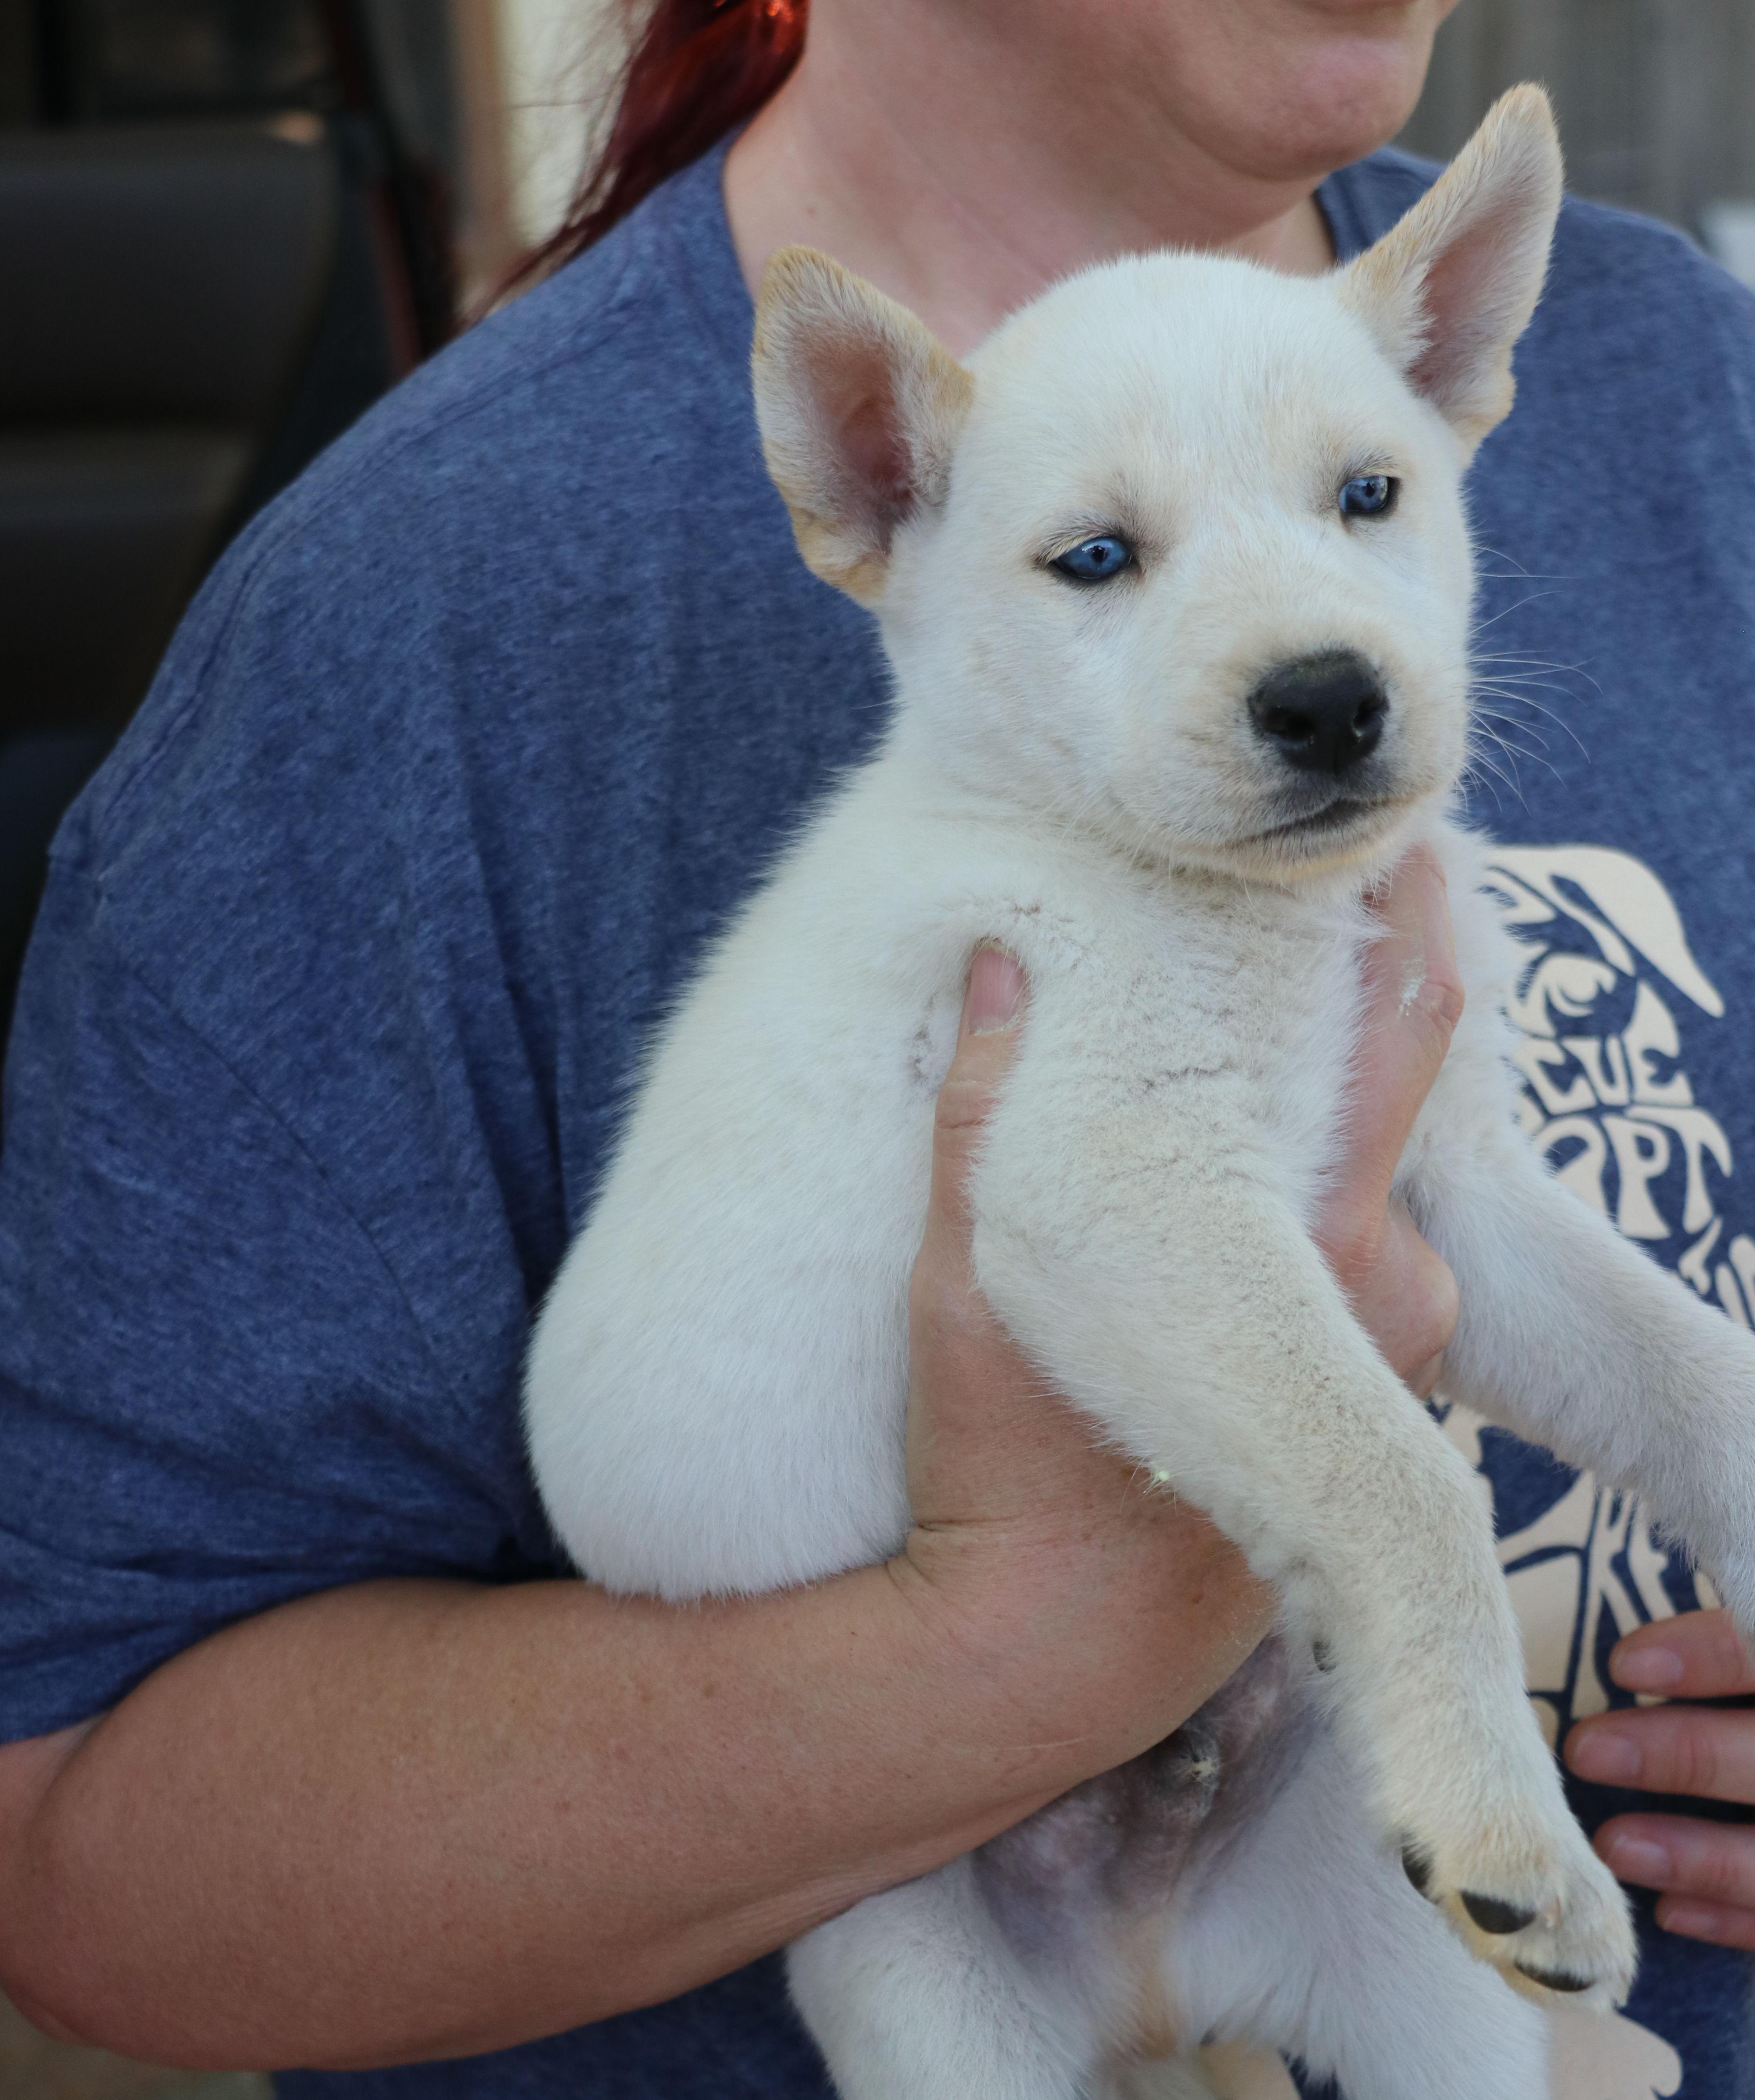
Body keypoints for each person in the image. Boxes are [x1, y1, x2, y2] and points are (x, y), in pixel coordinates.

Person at [0, 0, 1751, 2092]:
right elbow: (85, 1865)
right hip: (938, 1922)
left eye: (1369, 497)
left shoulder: (1690, 376)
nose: (1307, 653)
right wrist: (1022, 1642)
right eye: (1099, 560)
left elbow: (1531, 1260)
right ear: (875, 494)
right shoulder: (404, 622)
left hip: (1369, 1872)